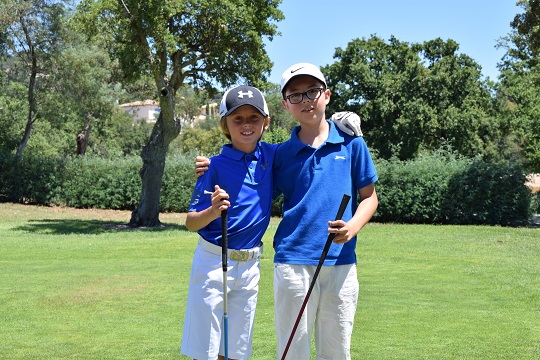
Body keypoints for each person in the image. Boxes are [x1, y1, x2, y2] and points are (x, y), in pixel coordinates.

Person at [271, 62, 378, 359]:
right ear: (285, 104)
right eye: (296, 95)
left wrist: (353, 227)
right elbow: (247, 170)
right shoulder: (280, 154)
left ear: (327, 95)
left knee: (337, 352)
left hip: (342, 262)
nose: (306, 100)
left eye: (313, 91)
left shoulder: (352, 143)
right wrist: (212, 165)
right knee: (294, 351)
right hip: (293, 261)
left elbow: (369, 198)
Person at [181, 85, 276, 360]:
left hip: (250, 266)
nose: (246, 125)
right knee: (209, 352)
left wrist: (338, 126)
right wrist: (212, 211)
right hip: (213, 262)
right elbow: (190, 223)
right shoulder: (213, 167)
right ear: (225, 124)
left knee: (237, 350)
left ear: (266, 123)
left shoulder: (272, 157)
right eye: (238, 119)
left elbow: (306, 143)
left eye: (254, 118)